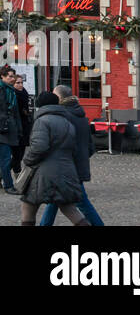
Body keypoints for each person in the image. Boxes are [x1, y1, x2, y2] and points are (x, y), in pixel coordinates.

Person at [18, 92, 87, 225]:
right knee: (69, 208)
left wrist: (27, 160)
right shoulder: (68, 122)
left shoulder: (42, 121)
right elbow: (74, 149)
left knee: (28, 205)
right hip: (66, 171)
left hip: (44, 173)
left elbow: (39, 147)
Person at [38, 85, 103, 226]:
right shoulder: (81, 114)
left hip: (67, 166)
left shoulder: (63, 116)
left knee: (81, 202)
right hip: (76, 164)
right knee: (54, 200)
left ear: (59, 98)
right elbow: (90, 146)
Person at [0, 65, 20, 194]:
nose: (13, 79)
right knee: (6, 158)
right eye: (10, 76)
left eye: (13, 76)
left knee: (8, 158)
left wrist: (19, 129)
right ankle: (8, 185)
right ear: (2, 77)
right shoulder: (3, 90)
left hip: (10, 129)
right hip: (3, 130)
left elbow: (15, 112)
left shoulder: (11, 91)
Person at [11, 74, 32, 171]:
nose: (20, 85)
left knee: (20, 156)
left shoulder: (24, 93)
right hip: (15, 128)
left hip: (24, 127)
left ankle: (16, 173)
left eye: (21, 82)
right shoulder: (12, 95)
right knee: (16, 156)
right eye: (17, 83)